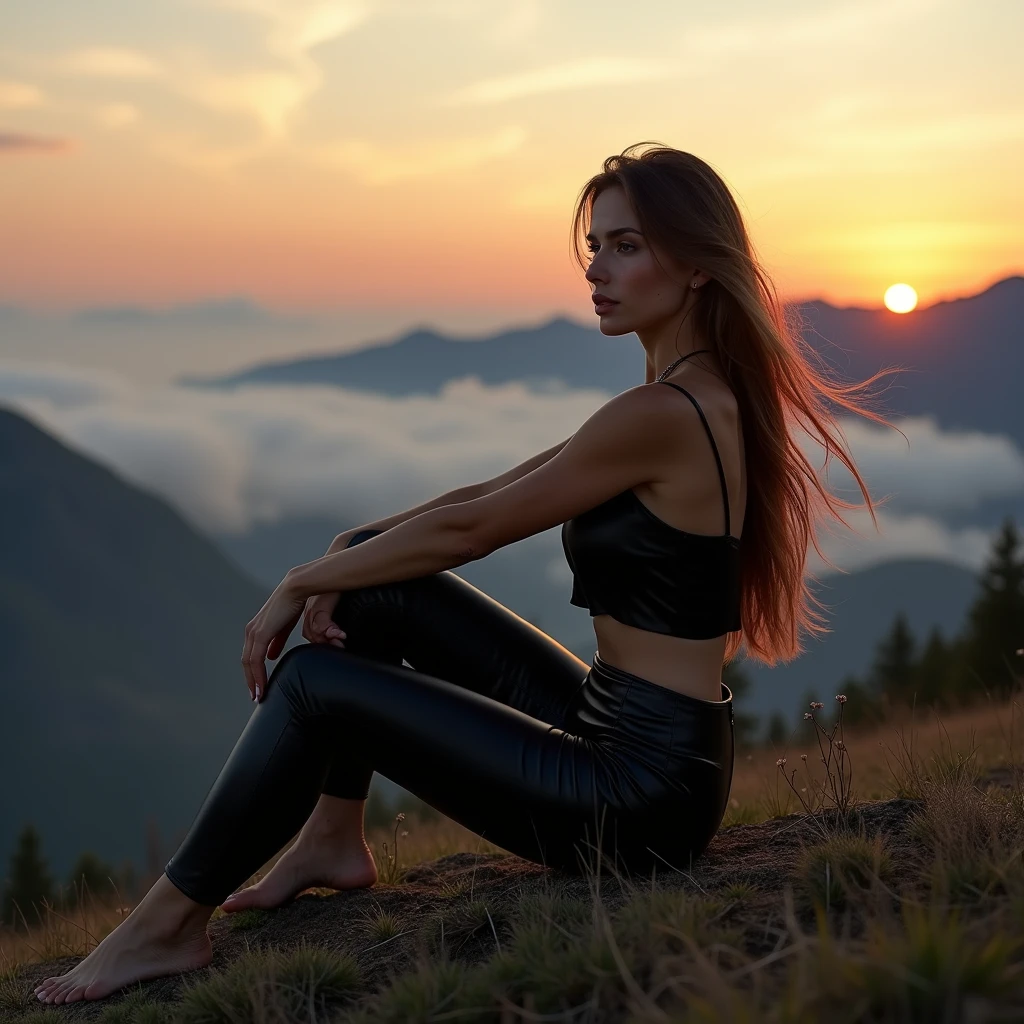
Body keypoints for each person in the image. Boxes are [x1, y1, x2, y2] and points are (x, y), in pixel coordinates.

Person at [35, 143, 903, 1004]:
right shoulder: (679, 394)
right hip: (630, 732)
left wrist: (300, 581)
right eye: (595, 245)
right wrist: (349, 549)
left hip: (638, 795)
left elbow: (477, 527)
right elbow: (491, 490)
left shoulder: (663, 413)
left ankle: (166, 925)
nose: (598, 269)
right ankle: (333, 840)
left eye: (627, 246)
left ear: (699, 267)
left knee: (310, 684)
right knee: (375, 575)